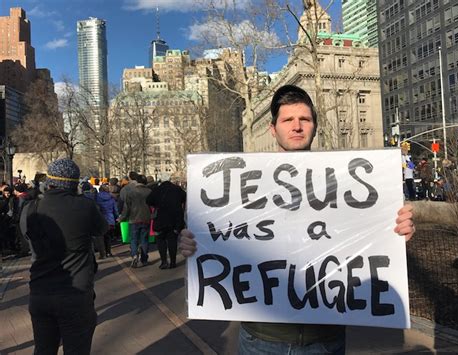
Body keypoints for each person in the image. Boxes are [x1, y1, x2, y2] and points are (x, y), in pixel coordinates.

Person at [179, 85, 416, 355]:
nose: (297, 126)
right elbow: (220, 237)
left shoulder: (342, 184)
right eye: (288, 120)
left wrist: (395, 232)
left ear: (315, 127)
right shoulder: (243, 188)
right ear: (273, 128)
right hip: (261, 339)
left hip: (326, 338)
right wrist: (193, 244)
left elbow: (364, 237)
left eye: (304, 119)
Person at [20, 158, 108, 355]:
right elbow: (102, 229)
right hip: (75, 294)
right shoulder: (85, 207)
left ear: (49, 182)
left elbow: (26, 239)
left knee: (43, 349)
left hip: (40, 292)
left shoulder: (30, 209)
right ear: (74, 183)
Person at [146, 179, 186, 269]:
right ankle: (173, 262)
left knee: (161, 240)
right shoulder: (177, 189)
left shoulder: (157, 190)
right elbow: (185, 198)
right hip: (175, 218)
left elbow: (148, 201)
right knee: (172, 240)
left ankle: (164, 261)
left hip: (160, 219)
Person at [119, 174, 152, 267]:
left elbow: (126, 208)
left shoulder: (131, 192)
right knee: (144, 239)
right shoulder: (149, 192)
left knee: (134, 239)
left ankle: (134, 255)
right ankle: (144, 259)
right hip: (146, 218)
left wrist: (122, 218)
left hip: (133, 219)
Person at [96, 184, 118, 257]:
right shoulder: (111, 198)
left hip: (100, 219)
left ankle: (102, 253)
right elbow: (115, 210)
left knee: (100, 237)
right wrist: (117, 218)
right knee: (108, 237)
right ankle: (108, 252)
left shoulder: (96, 197)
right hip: (110, 219)